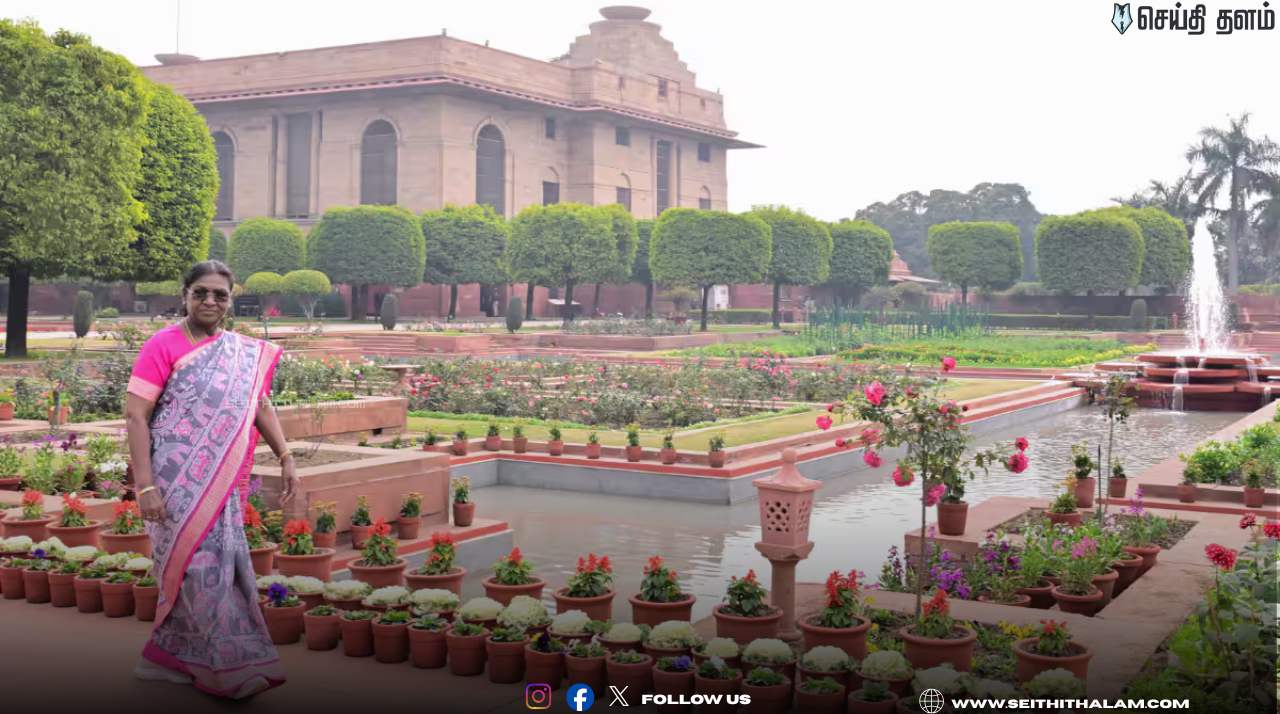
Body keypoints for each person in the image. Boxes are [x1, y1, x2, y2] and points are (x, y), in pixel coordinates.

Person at [123, 260, 299, 700]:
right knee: (199, 570)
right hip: (172, 478)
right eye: (201, 292)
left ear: (230, 300)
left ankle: (166, 659)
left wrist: (286, 455)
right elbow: (135, 415)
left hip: (218, 480)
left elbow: (260, 405)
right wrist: (145, 487)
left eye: (220, 295)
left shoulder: (241, 350)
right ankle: (229, 670)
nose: (210, 301)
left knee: (220, 568)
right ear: (185, 294)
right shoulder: (162, 345)